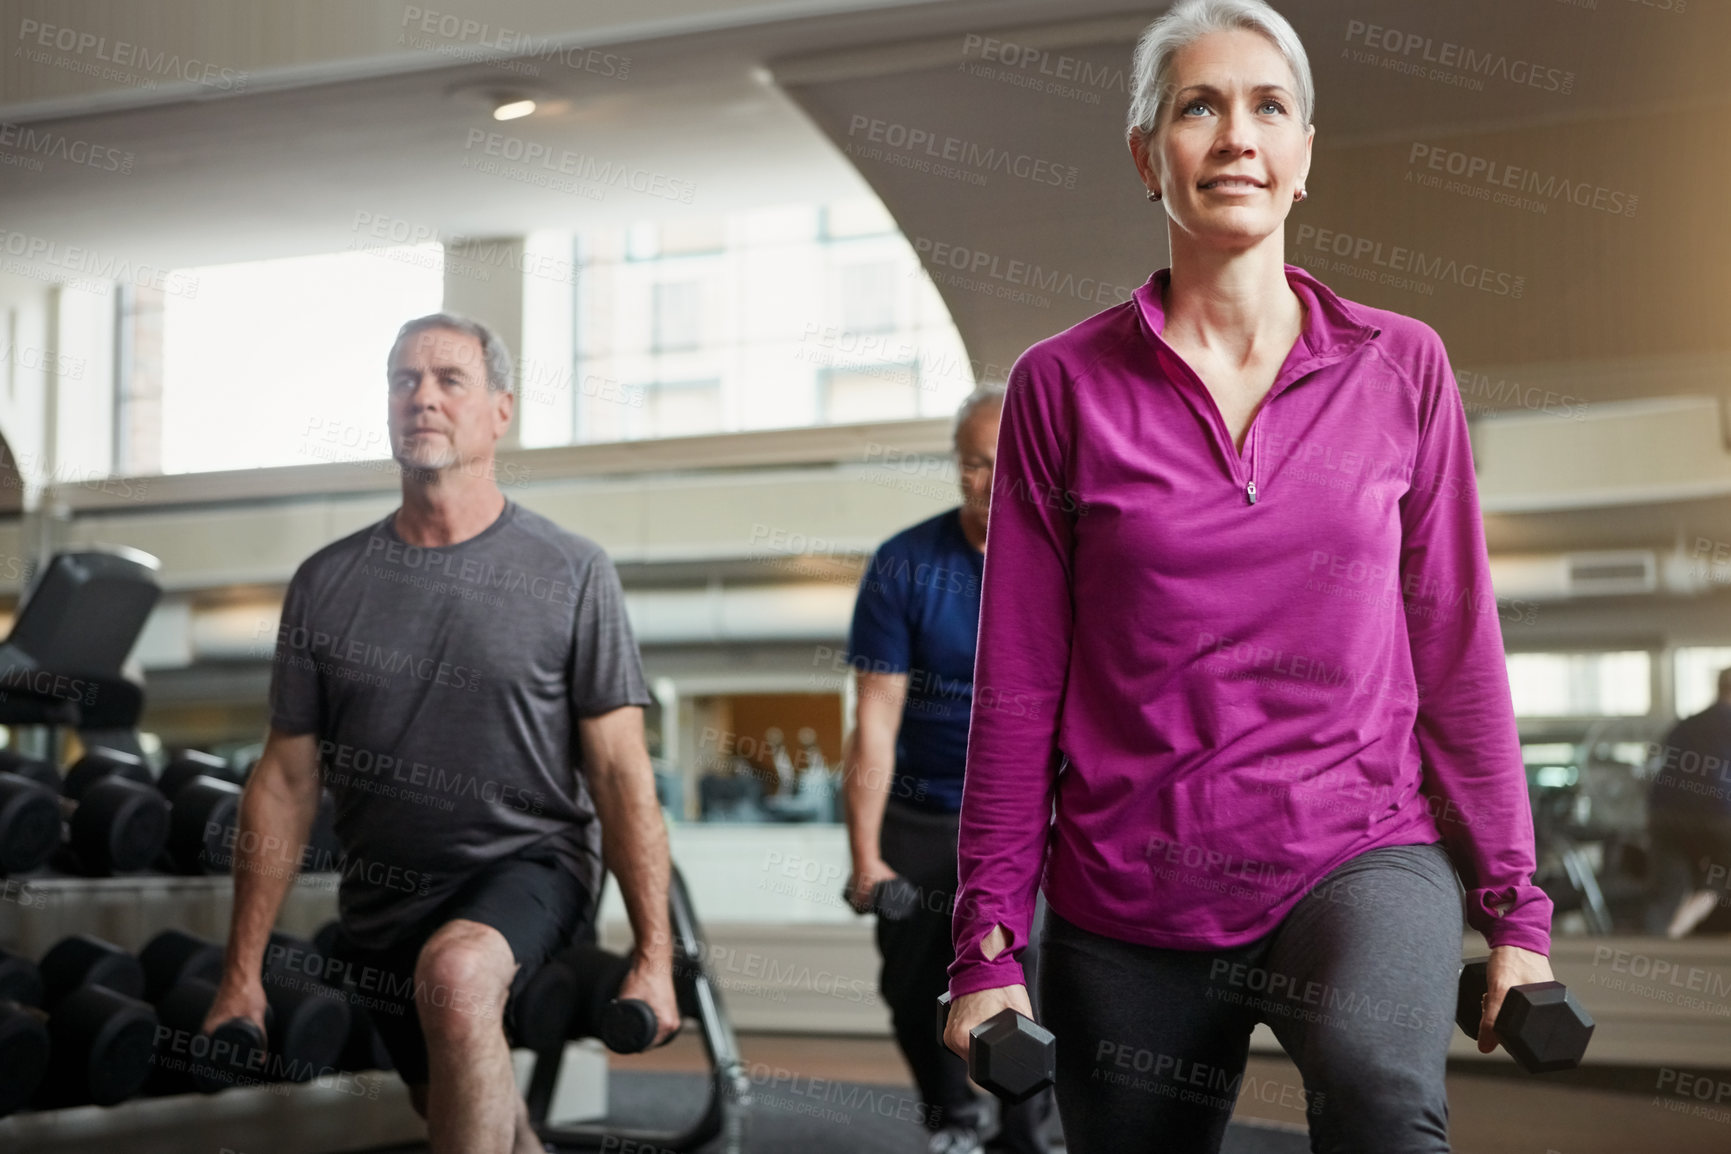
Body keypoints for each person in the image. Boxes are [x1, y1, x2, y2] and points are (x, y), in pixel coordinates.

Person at [940, 2, 1556, 1151]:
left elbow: (1457, 648)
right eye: (1199, 107)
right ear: (1145, 156)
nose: (1237, 135)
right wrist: (987, 945)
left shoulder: (1401, 365)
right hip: (1132, 889)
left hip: (1355, 851)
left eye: (1269, 106)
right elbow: (1018, 684)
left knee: (1382, 1093)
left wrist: (1515, 909)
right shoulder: (1058, 388)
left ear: (1305, 156)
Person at [204, 313, 680, 1154]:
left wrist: (654, 954)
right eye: (402, 379)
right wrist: (241, 973)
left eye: (448, 379)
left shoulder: (571, 571)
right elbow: (283, 783)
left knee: (456, 980)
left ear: (500, 410)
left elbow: (618, 773)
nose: (421, 396)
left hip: (531, 867)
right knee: (465, 1107)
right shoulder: (325, 584)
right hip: (382, 900)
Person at [843, 384, 1056, 1154]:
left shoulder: (1065, 555)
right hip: (921, 811)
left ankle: (1024, 1131)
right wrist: (864, 853)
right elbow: (874, 719)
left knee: (1026, 976)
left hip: (1036, 815)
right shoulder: (904, 564)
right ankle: (952, 1121)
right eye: (971, 464)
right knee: (910, 986)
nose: (984, 483)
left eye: (1002, 466)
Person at [1647, 667, 1731, 937]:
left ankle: (1662, 938)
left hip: (1663, 819)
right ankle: (1680, 926)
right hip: (1717, 820)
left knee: (1670, 890)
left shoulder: (1685, 725)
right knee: (1718, 882)